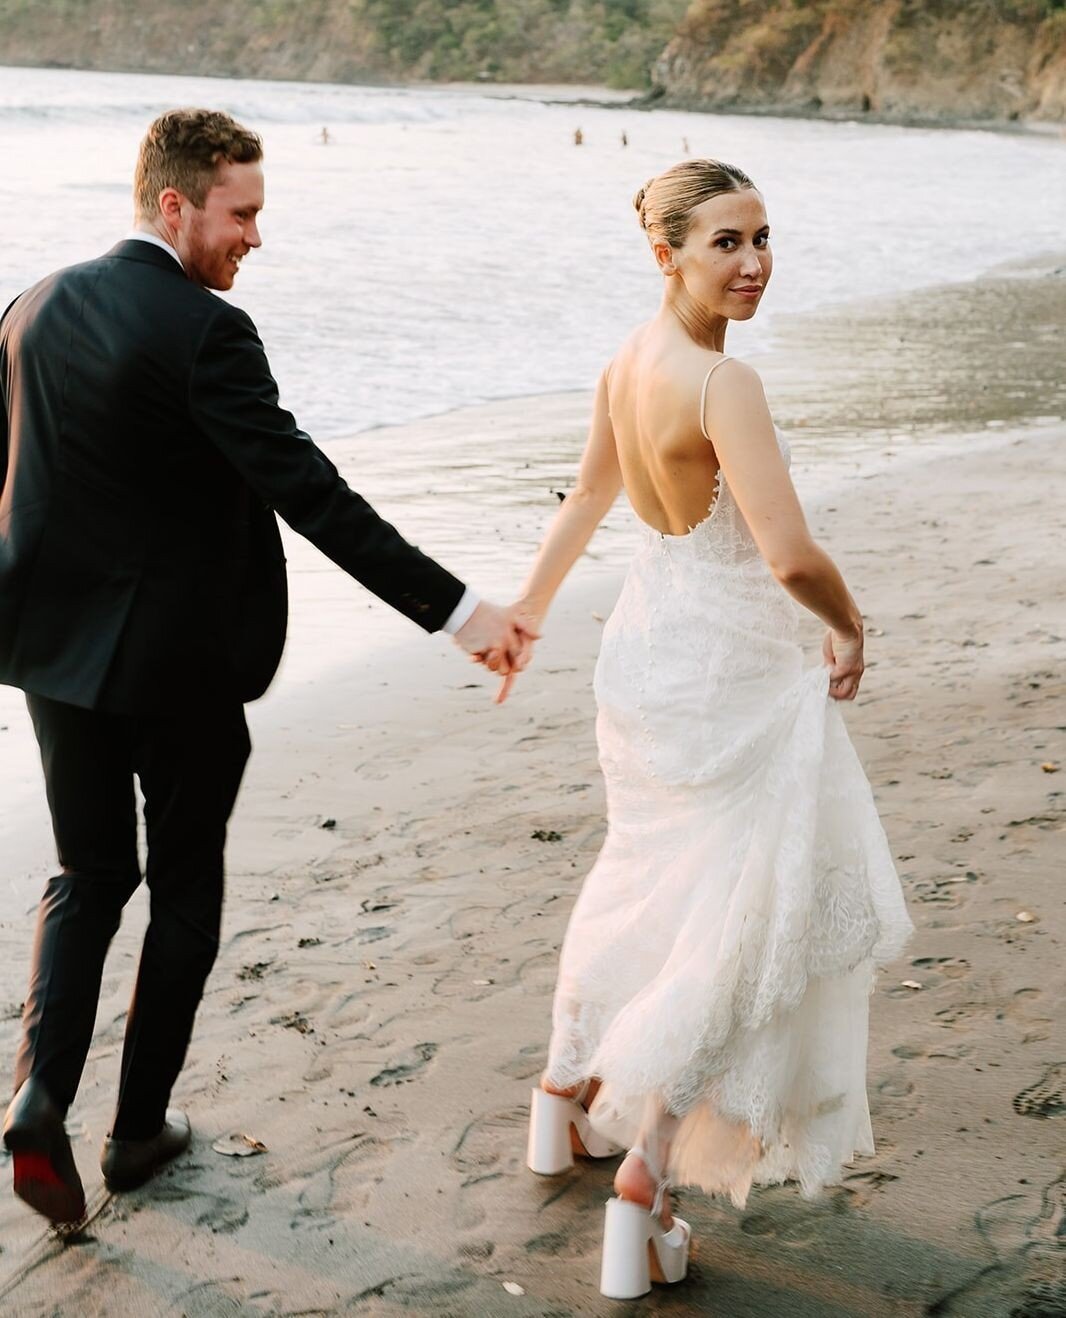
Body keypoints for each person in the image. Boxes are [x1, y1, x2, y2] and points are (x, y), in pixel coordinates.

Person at [0, 108, 530, 1226]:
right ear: (173, 205)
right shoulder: (204, 333)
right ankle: (137, 1132)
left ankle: (39, 1097)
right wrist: (457, 609)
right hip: (181, 670)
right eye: (240, 214)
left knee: (89, 876)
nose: (254, 237)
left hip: (54, 662)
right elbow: (313, 492)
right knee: (184, 895)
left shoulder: (31, 306)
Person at [508, 159, 913, 1299]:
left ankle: (561, 1098)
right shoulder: (720, 385)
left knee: (644, 876)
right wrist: (850, 629)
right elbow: (786, 555)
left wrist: (528, 614)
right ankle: (644, 1172)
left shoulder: (625, 361)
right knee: (730, 919)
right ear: (666, 253)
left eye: (764, 238)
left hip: (646, 655)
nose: (753, 263)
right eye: (725, 242)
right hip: (729, 671)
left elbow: (589, 498)